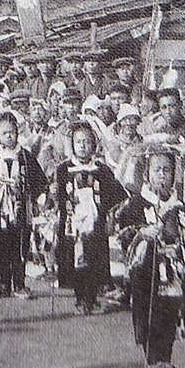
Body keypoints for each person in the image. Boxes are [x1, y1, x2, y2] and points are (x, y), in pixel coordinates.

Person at [117, 145, 185, 368]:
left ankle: (166, 361)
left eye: (166, 170)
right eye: (157, 170)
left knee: (169, 316)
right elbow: (123, 232)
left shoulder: (178, 207)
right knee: (149, 316)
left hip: (172, 271)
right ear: (147, 174)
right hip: (146, 271)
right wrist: (143, 232)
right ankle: (152, 363)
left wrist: (181, 247)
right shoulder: (136, 203)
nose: (162, 175)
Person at [54, 122, 126, 314]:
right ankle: (80, 299)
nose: (83, 146)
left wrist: (110, 212)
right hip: (73, 225)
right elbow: (58, 195)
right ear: (72, 144)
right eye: (78, 142)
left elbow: (116, 194)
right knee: (77, 261)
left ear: (94, 145)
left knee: (94, 261)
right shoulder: (63, 170)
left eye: (87, 141)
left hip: (96, 226)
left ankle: (92, 298)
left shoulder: (102, 170)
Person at [0, 111, 47, 299]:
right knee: (1, 245)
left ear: (17, 133)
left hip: (20, 206)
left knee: (19, 245)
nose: (9, 136)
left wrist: (33, 198)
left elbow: (39, 181)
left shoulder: (25, 156)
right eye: (4, 133)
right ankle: (4, 282)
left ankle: (19, 283)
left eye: (12, 132)